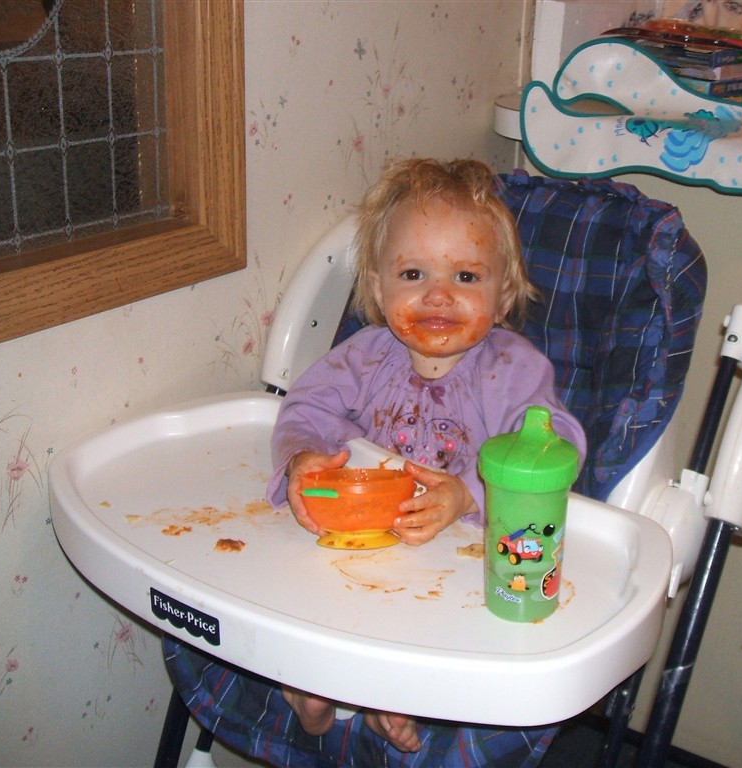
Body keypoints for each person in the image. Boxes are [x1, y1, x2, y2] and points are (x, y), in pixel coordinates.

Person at [164, 158, 586, 767]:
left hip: (458, 562)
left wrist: (469, 493)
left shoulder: (513, 371)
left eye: (466, 275)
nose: (438, 294)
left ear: (503, 297)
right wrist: (303, 459)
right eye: (413, 273)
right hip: (360, 546)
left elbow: (554, 444)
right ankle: (317, 687)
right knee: (307, 593)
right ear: (379, 287)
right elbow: (304, 409)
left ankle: (399, 698)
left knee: (459, 632)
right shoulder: (364, 356)